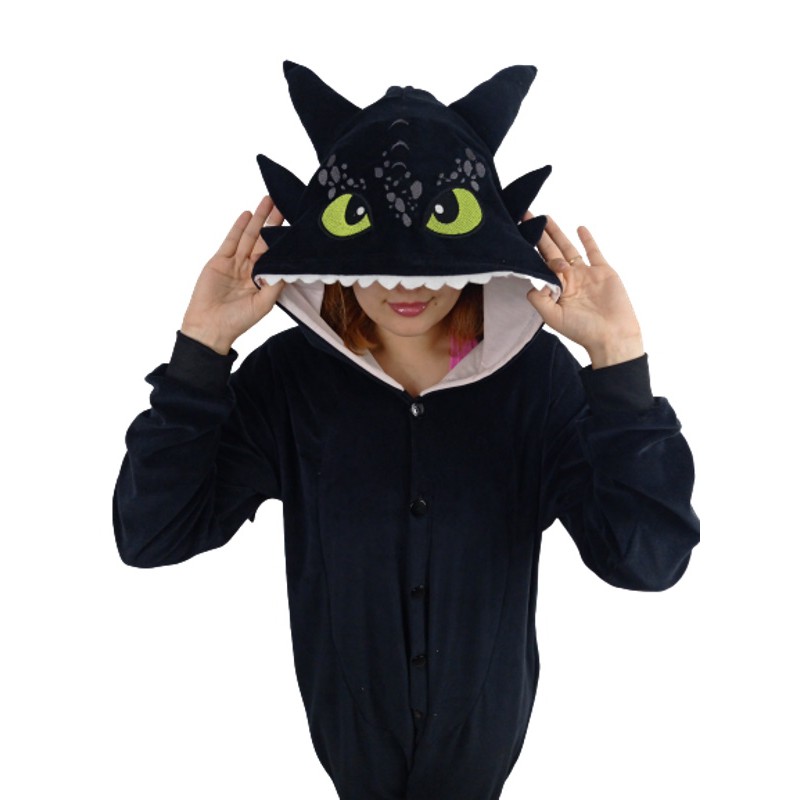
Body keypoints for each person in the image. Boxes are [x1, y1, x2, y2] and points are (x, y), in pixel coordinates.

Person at [113, 63, 699, 800]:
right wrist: (200, 352)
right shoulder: (290, 381)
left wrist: (619, 364)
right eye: (378, 260)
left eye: (432, 258)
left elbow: (648, 559)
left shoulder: (539, 382)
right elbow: (152, 534)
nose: (406, 284)